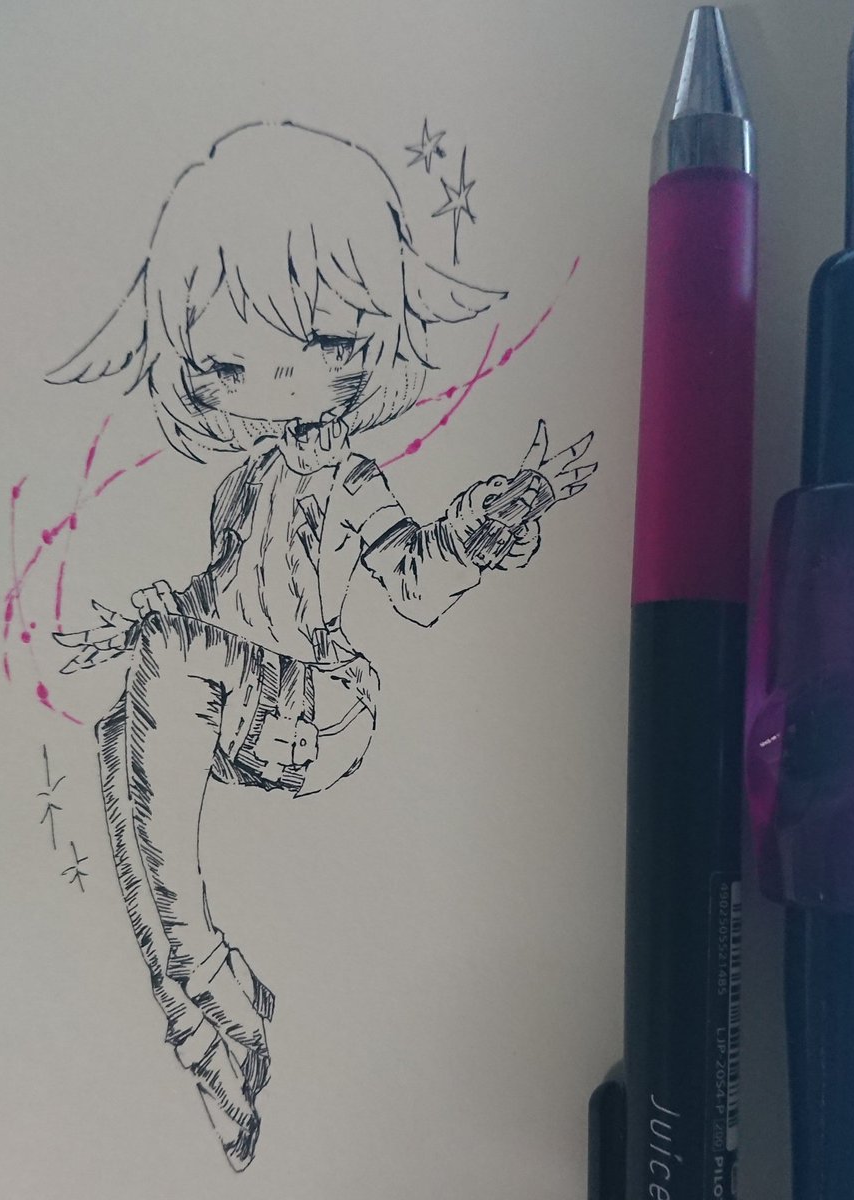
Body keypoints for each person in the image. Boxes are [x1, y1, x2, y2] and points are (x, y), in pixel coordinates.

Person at [51, 121, 595, 1170]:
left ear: (366, 345)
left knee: (166, 667)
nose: (274, 378)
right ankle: (203, 1021)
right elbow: (221, 599)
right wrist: (146, 628)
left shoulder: (346, 482)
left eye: (322, 343)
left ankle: (204, 980)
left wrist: (483, 527)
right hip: (231, 695)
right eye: (227, 361)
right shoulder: (240, 483)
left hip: (314, 706)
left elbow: (413, 581)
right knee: (120, 736)